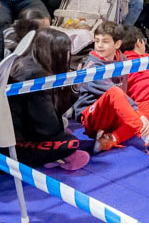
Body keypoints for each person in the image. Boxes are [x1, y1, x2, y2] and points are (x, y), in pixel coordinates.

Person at [72, 21, 149, 162]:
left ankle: (111, 139)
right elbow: (114, 92)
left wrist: (135, 112)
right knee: (115, 92)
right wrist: (139, 115)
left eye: (105, 41)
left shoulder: (122, 59)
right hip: (93, 116)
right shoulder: (92, 66)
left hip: (115, 112)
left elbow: (124, 92)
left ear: (117, 44)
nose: (99, 45)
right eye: (97, 41)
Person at [9, 28, 90, 170]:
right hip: (17, 144)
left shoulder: (23, 63)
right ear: (57, 53)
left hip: (12, 135)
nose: (69, 55)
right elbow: (48, 127)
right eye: (67, 51)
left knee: (65, 128)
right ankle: (56, 157)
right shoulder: (37, 77)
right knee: (71, 142)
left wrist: (74, 88)